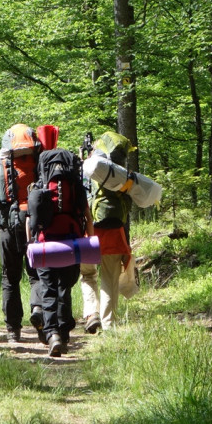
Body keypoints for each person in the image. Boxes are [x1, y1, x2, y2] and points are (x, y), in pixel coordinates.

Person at [27, 147, 94, 357]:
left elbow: (31, 220)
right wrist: (89, 243)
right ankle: (64, 333)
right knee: (65, 288)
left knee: (48, 289)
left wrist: (31, 243)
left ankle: (52, 333)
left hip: (46, 244)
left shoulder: (38, 187)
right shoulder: (77, 188)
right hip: (71, 245)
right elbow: (87, 217)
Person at [0, 124, 43, 343]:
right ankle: (38, 309)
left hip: (8, 228)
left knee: (10, 278)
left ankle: (13, 330)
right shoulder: (38, 163)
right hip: (35, 227)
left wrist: (1, 220)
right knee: (36, 274)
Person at [79, 131, 134, 333]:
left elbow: (82, 197)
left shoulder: (89, 170)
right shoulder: (121, 176)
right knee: (110, 280)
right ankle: (108, 325)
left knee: (87, 275)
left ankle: (92, 313)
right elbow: (130, 199)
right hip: (114, 233)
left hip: (90, 233)